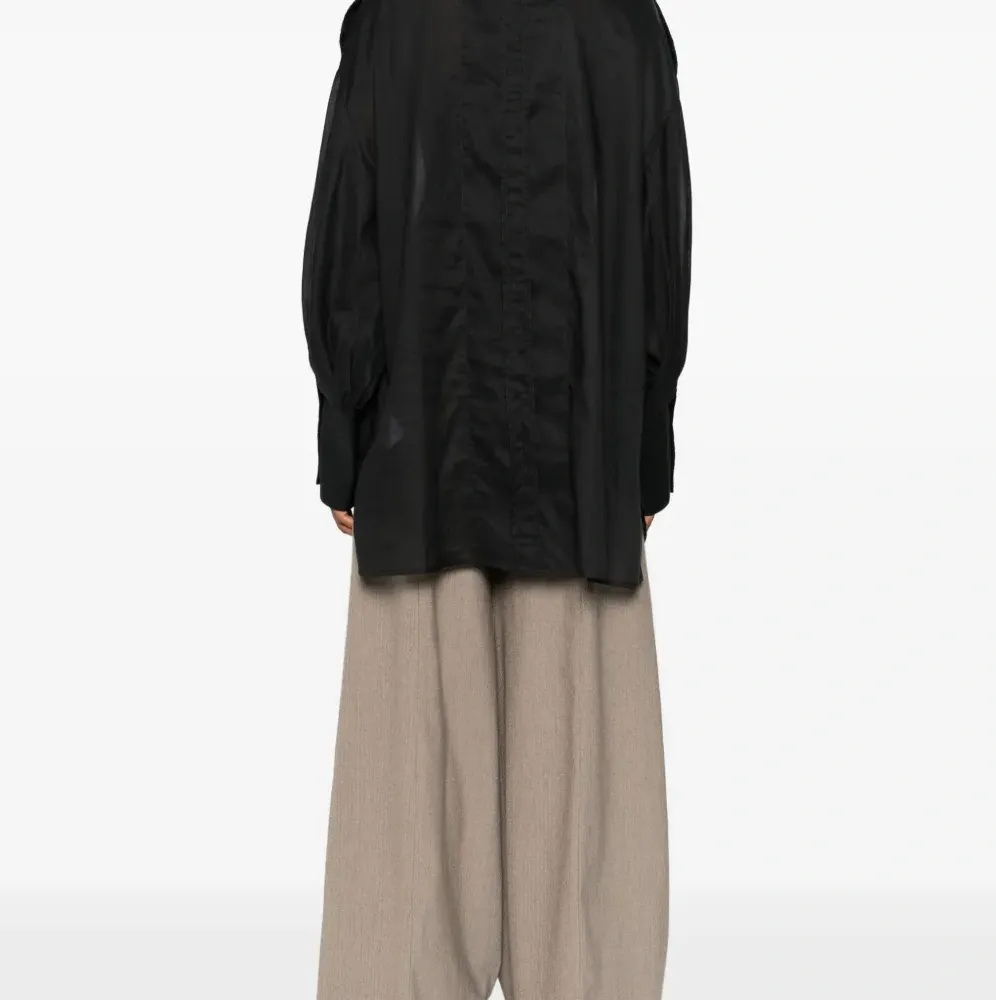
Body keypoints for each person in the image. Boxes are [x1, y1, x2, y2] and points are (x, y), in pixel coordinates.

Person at [301, 0, 691, 996]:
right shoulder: (626, 21)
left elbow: (350, 224)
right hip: (585, 465)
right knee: (580, 827)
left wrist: (346, 433)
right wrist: (646, 443)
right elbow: (662, 238)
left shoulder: (392, 18)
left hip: (421, 459)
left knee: (412, 812)